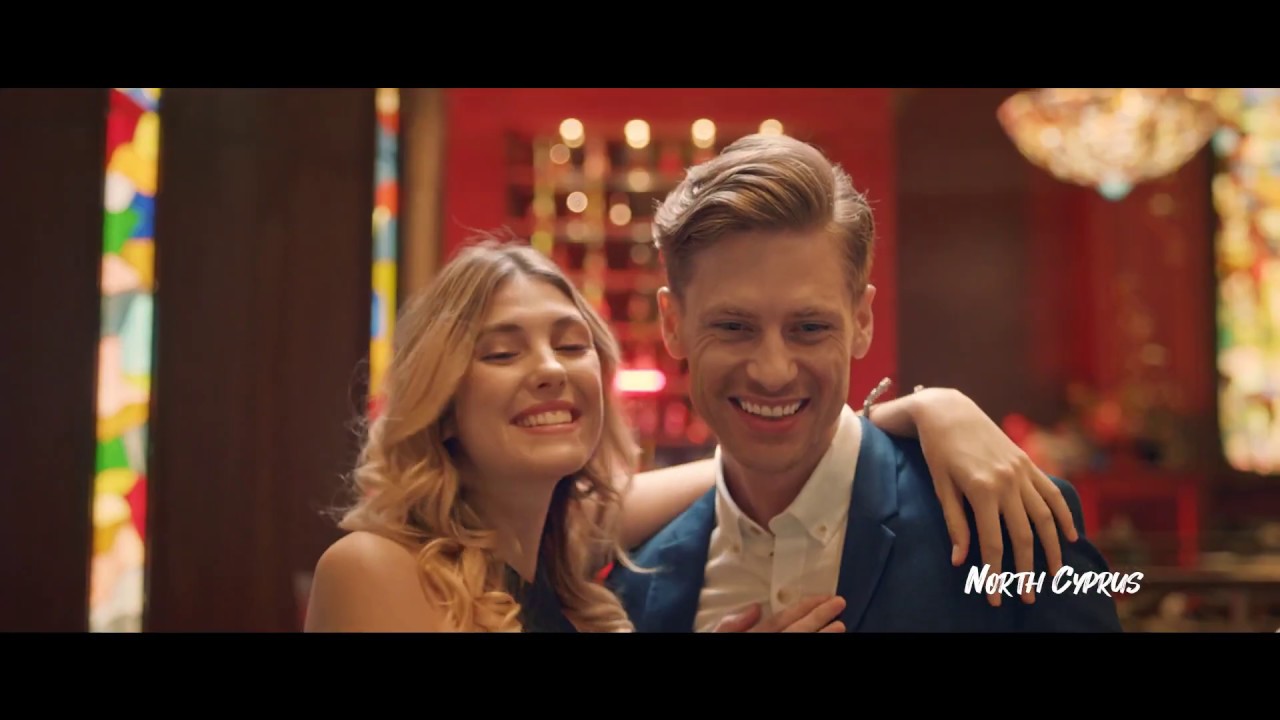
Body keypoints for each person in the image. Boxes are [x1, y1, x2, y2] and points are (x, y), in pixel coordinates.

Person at [303, 238, 1076, 632]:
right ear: (441, 399)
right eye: (501, 353)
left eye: (571, 344)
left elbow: (763, 460)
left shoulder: (567, 546)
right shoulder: (373, 569)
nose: (548, 371)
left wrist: (932, 411)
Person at [607, 133, 1125, 632]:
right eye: (733, 327)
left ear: (862, 321)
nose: (773, 371)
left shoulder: (1009, 526)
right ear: (672, 324)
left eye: (810, 328)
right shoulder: (634, 587)